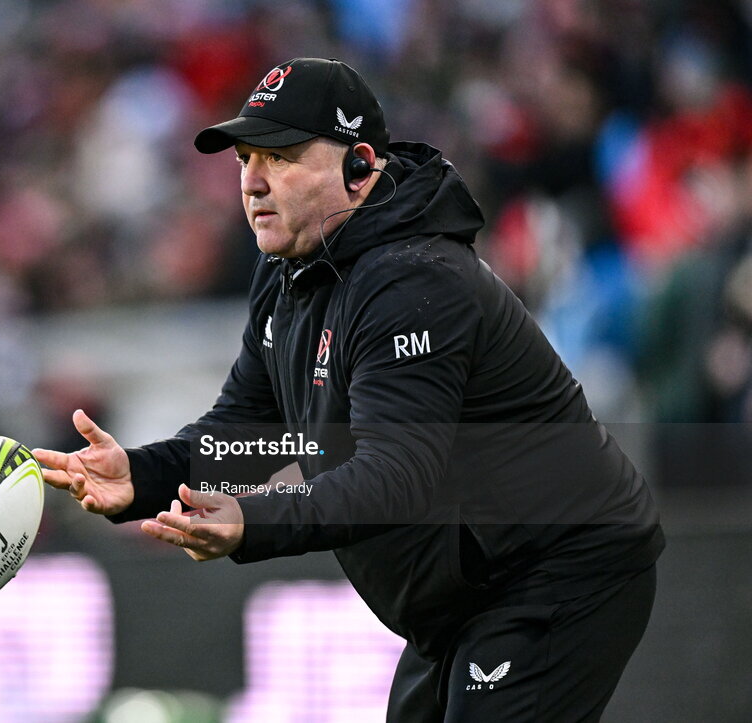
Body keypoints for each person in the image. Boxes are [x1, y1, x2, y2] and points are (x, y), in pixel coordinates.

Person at [34, 58, 664, 722]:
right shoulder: (286, 276)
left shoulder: (415, 283)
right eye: (245, 159)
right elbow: (248, 433)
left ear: (359, 167)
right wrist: (141, 474)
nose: (251, 182)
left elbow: (394, 476)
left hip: (558, 567)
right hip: (465, 591)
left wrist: (251, 521)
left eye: (279, 156)